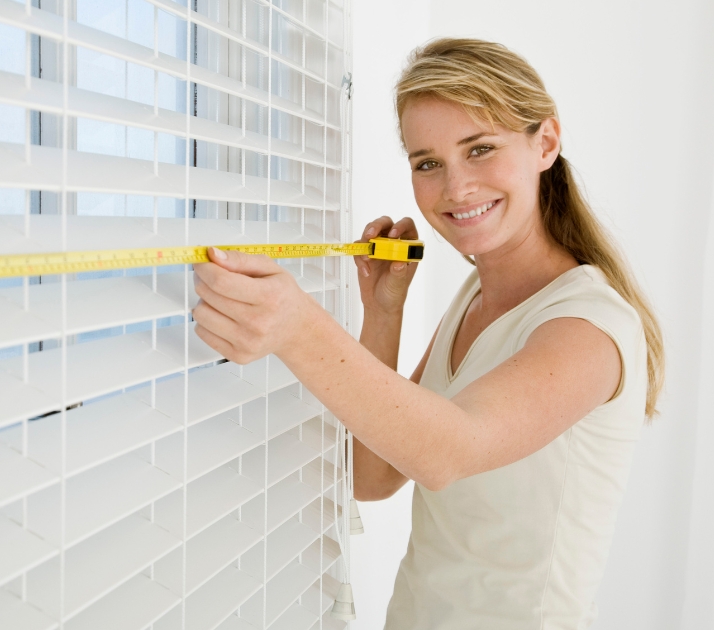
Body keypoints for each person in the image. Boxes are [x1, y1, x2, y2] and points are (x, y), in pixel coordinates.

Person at [192, 38, 664, 629]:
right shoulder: (476, 297)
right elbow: (374, 475)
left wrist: (298, 329)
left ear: (545, 143)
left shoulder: (588, 328)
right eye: (427, 162)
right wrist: (383, 312)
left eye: (481, 149)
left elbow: (449, 451)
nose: (455, 187)